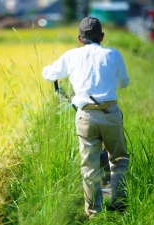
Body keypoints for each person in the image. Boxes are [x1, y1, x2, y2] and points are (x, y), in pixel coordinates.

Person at [42, 17, 130, 218]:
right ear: (102, 37)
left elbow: (48, 74)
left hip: (85, 116)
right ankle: (119, 206)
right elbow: (123, 82)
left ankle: (94, 213)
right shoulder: (113, 54)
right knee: (119, 160)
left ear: (80, 39)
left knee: (89, 167)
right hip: (110, 113)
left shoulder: (71, 56)